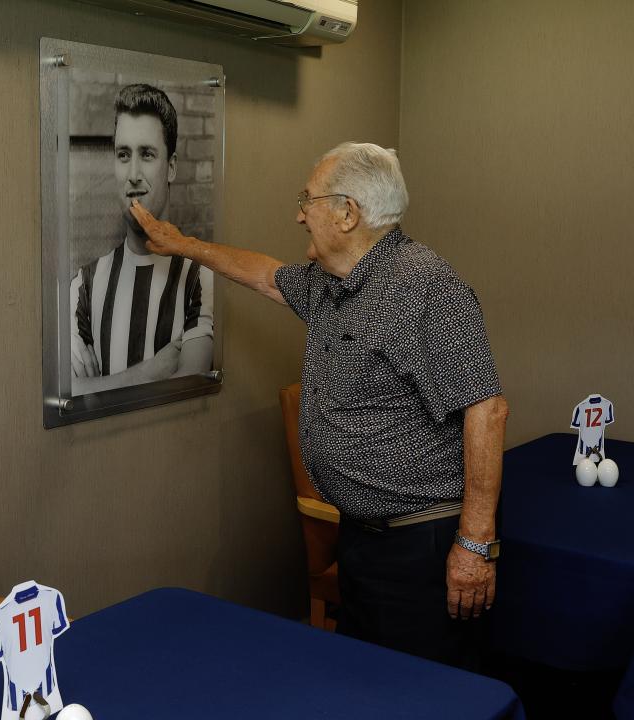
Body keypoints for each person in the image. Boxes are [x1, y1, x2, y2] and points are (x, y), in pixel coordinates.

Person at [129, 142, 509, 671]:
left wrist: (474, 543)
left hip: (421, 545)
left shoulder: (424, 287)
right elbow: (265, 274)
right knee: (360, 685)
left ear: (348, 213)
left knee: (424, 697)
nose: (299, 213)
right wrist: (183, 244)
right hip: (361, 538)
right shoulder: (331, 283)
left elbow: (485, 410)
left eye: (308, 200)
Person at [69, 84, 214, 393]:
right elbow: (67, 394)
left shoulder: (200, 277)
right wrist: (153, 370)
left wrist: (97, 387)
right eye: (123, 155)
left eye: (147, 154)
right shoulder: (84, 284)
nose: (133, 173)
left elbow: (188, 387)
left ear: (171, 167)